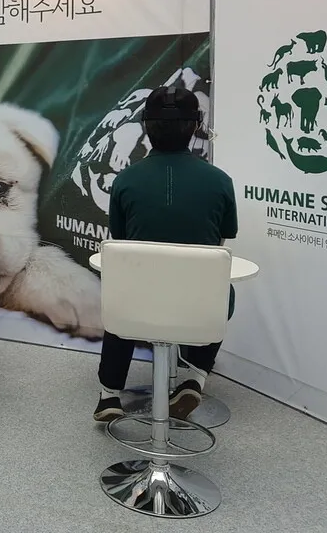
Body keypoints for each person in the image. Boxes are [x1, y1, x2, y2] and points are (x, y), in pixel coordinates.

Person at [93, 86, 237, 422]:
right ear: (195, 126)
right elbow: (224, 236)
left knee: (121, 293)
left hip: (137, 303)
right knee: (221, 289)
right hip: (199, 303)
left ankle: (109, 395)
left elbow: (120, 238)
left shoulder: (126, 180)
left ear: (146, 126)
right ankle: (195, 377)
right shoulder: (220, 181)